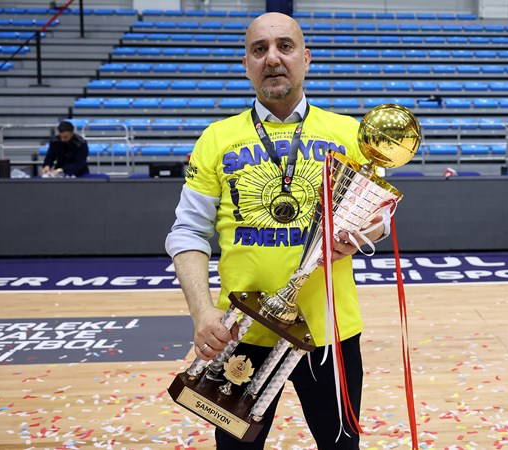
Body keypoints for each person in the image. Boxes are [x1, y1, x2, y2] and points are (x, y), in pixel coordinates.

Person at [165, 12, 387, 449]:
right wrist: (202, 313)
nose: (272, 58)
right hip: (241, 333)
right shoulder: (216, 138)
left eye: (285, 46)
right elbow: (187, 232)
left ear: (306, 58)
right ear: (246, 64)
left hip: (329, 334)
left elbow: (379, 219)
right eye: (259, 49)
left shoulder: (350, 134)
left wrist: (365, 233)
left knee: (341, 447)